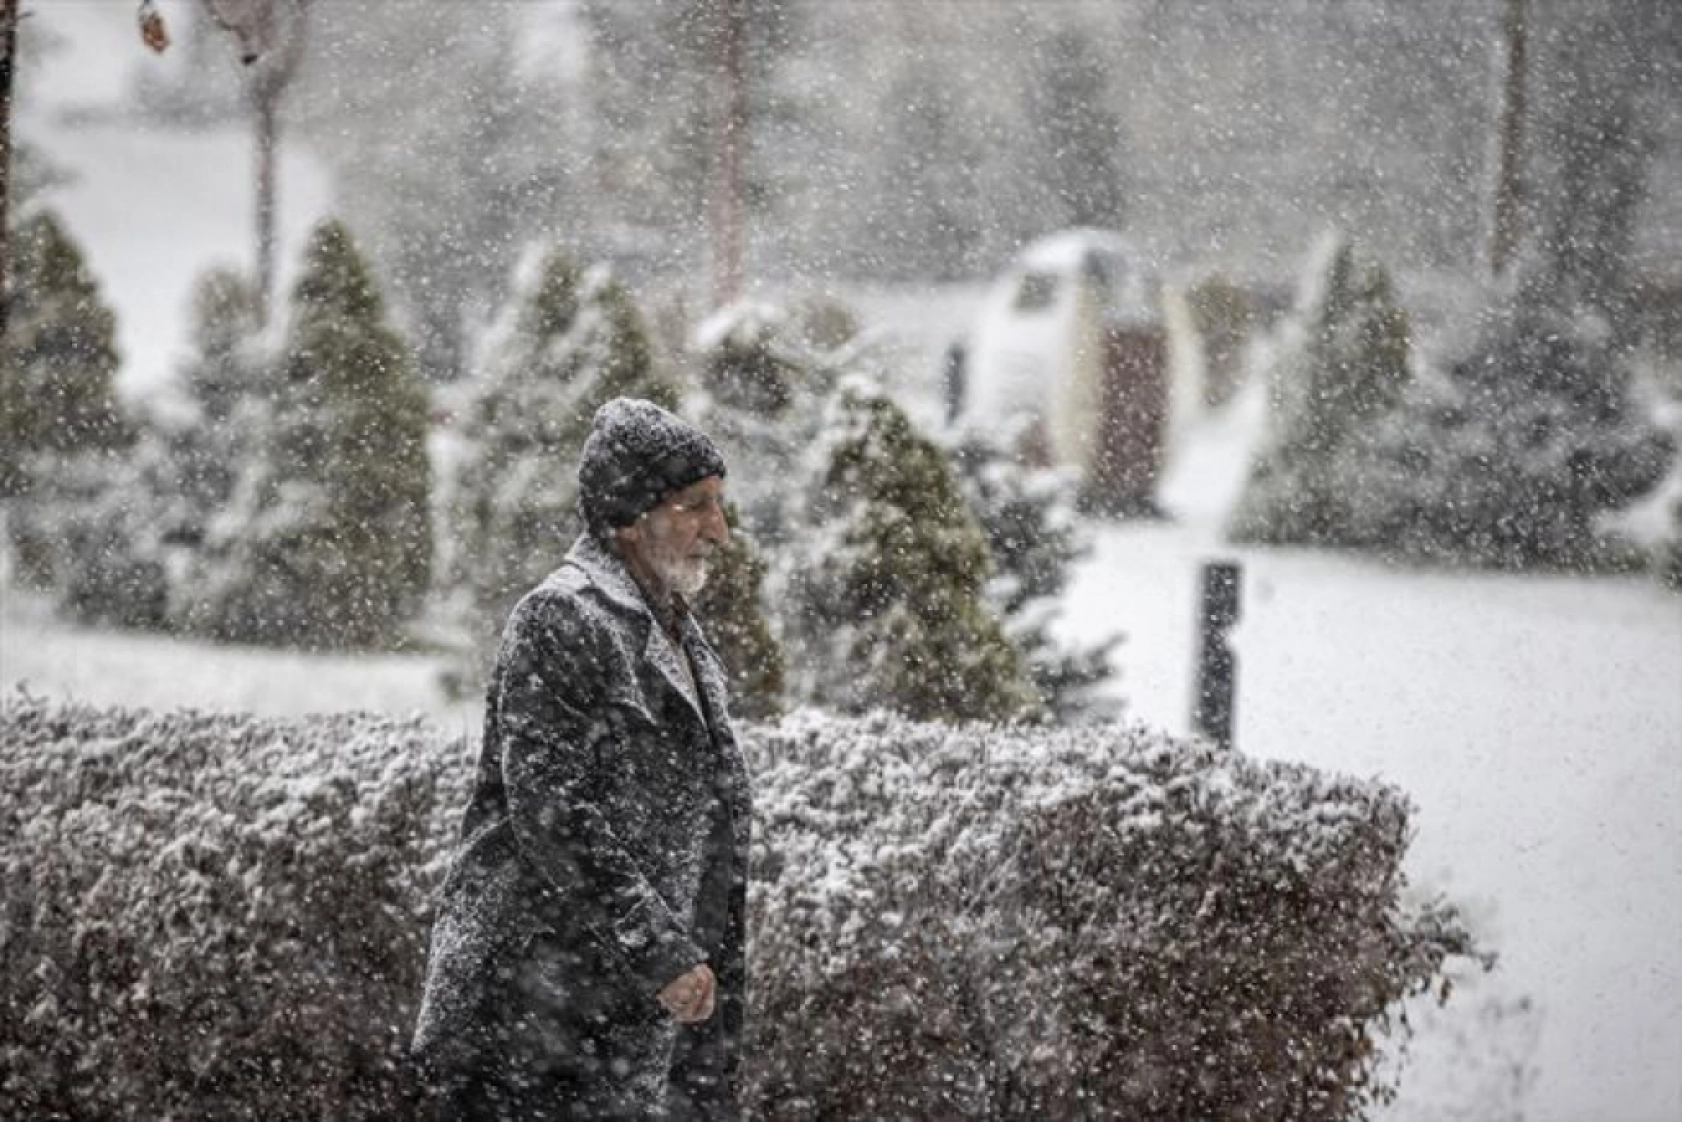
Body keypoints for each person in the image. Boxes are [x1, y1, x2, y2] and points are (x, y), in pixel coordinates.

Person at [413, 398, 752, 1121]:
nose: (718, 530)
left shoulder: (677, 632)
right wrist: (661, 951)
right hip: (535, 1018)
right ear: (630, 517)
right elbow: (552, 809)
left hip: (616, 1019)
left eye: (719, 506)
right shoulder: (562, 617)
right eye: (694, 506)